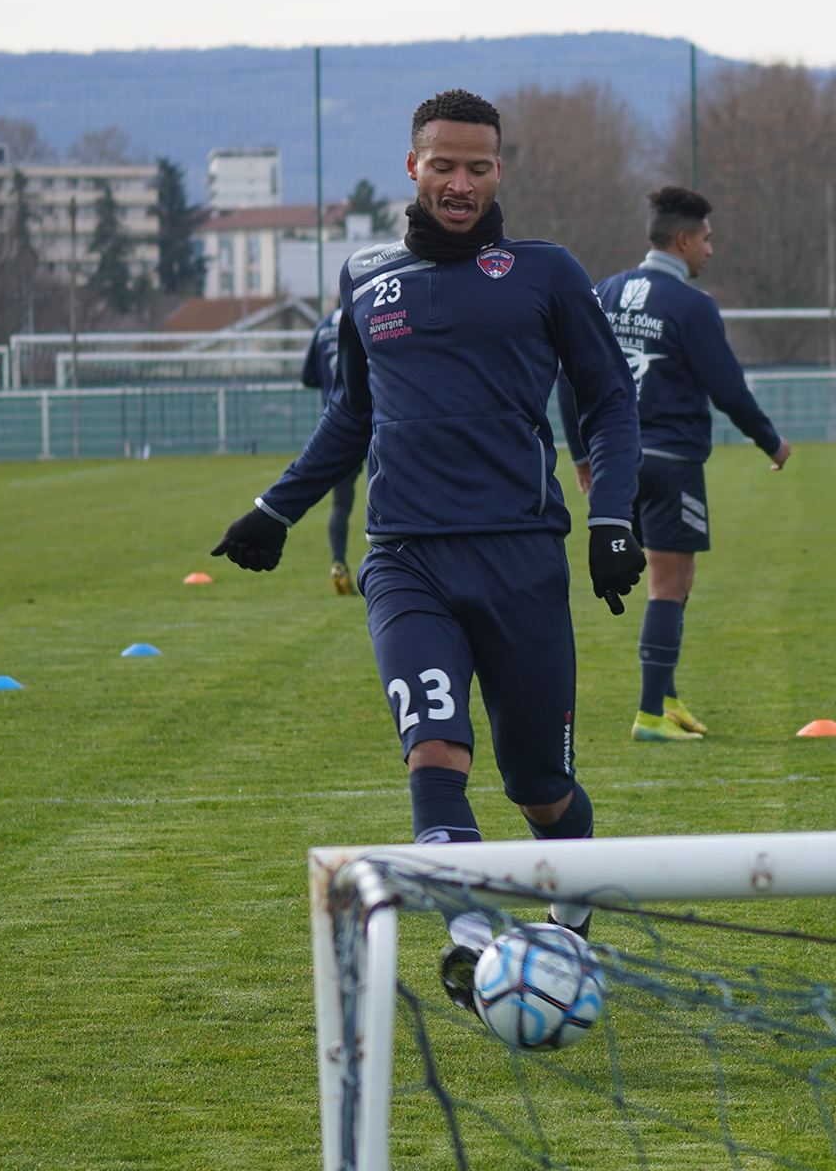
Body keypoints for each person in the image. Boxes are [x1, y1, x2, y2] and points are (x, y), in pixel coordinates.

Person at [209, 90, 645, 1006]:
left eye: (477, 167)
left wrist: (612, 518)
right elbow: (354, 413)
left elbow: (607, 401)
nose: (459, 182)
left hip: (522, 556)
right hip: (406, 557)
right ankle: (471, 939)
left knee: (541, 784)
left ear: (499, 172)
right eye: (442, 164)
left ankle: (570, 931)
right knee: (435, 751)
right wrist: (274, 509)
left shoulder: (546, 272)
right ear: (413, 166)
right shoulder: (365, 277)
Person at [557, 186, 791, 743]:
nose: (711, 250)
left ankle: (665, 694)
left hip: (616, 463)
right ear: (683, 240)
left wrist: (584, 454)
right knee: (671, 582)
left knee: (670, 585)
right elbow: (728, 388)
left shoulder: (604, 291)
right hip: (669, 462)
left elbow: (568, 376)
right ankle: (650, 714)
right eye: (707, 239)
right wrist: (770, 442)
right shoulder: (692, 305)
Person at [297, 307, 359, 594]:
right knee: (393, 492)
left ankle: (338, 563)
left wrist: (331, 385)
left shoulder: (322, 327)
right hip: (376, 419)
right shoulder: (366, 317)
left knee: (340, 504)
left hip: (338, 426)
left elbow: (307, 375)